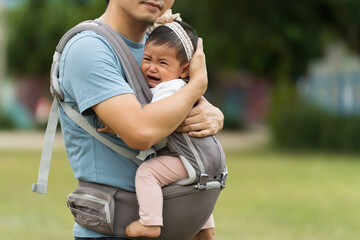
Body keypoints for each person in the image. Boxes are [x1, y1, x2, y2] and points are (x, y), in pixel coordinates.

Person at [58, 0, 224, 239]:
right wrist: (197, 85)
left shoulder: (159, 45)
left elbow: (186, 108)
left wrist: (213, 115)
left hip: (178, 224)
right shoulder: (90, 49)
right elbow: (141, 133)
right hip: (113, 231)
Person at [97, 12, 216, 239]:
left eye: (163, 63)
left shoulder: (168, 90)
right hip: (208, 161)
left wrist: (121, 128)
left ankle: (149, 222)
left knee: (148, 173)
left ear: (184, 70)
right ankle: (205, 229)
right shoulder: (183, 88)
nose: (152, 68)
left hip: (188, 158)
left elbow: (155, 132)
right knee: (192, 188)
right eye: (147, 59)